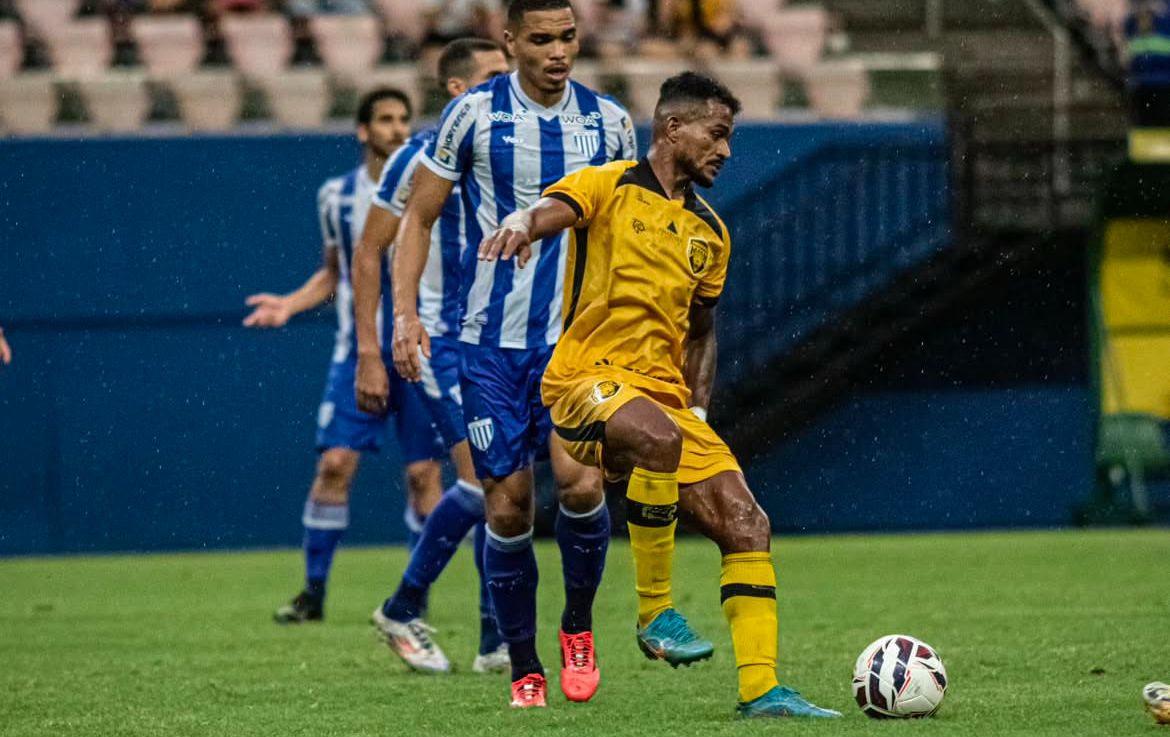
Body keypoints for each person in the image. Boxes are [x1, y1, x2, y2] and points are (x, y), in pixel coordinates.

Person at [477, 71, 841, 719]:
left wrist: (698, 405)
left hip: (663, 402)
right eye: (718, 133)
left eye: (730, 137)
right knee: (657, 439)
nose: (726, 150)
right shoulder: (609, 185)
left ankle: (761, 689)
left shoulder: (711, 234)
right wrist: (522, 224)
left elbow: (701, 331)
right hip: (583, 376)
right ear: (673, 128)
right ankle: (655, 613)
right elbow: (551, 211)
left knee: (746, 522)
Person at [387, 0, 637, 709]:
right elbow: (419, 217)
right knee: (508, 508)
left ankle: (577, 627)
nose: (559, 51)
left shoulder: (610, 122)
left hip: (575, 339)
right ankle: (522, 660)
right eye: (542, 39)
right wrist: (405, 315)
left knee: (582, 486)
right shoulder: (473, 117)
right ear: (510, 41)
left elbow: (626, 230)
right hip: (489, 344)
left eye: (568, 37)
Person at [242, 87, 442, 624]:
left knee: (426, 477)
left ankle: (415, 599)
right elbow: (336, 274)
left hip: (423, 350)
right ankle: (313, 591)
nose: (398, 128)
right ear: (362, 131)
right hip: (359, 351)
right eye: (385, 119)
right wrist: (290, 303)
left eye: (404, 118)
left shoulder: (435, 186)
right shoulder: (337, 196)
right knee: (334, 464)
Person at [351, 37, 511, 675]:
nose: (509, 84)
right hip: (439, 340)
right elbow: (369, 253)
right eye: (495, 75)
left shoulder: (511, 151)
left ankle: (495, 640)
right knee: (481, 479)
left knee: (506, 482)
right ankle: (403, 606)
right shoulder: (417, 157)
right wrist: (371, 347)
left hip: (503, 342)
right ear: (456, 89)